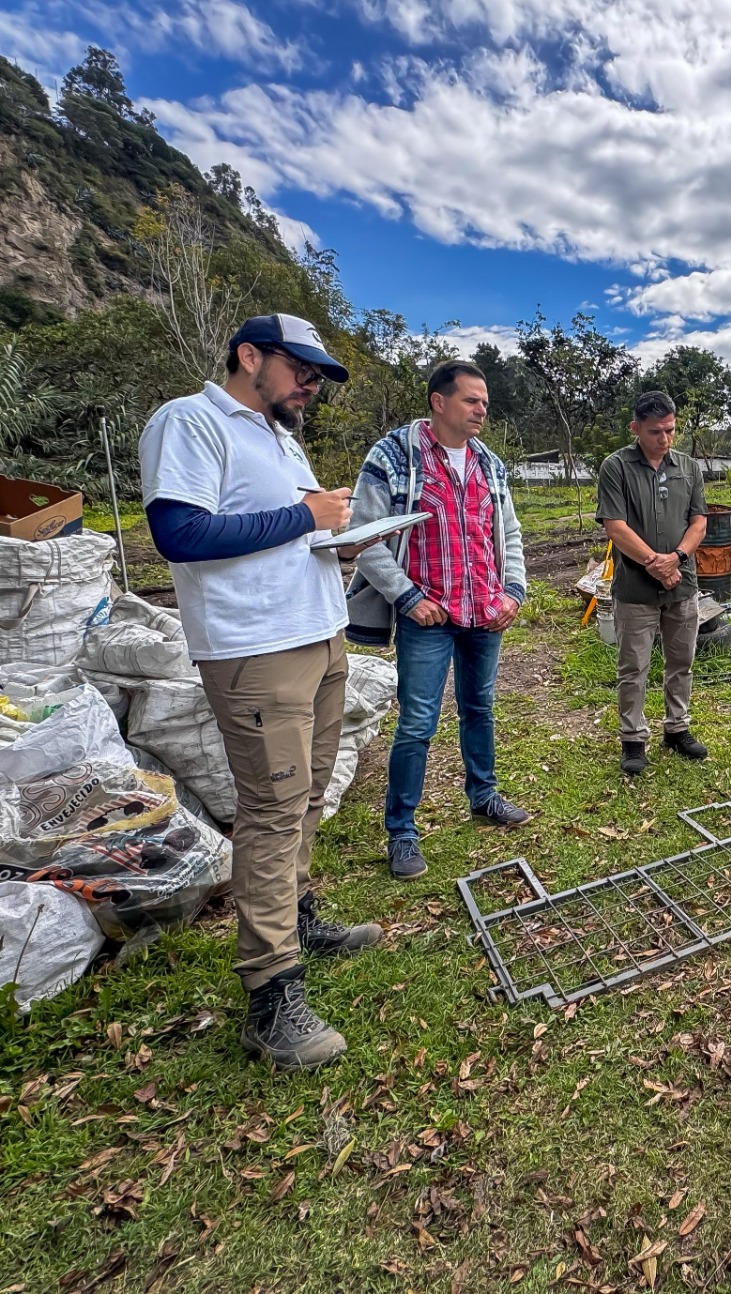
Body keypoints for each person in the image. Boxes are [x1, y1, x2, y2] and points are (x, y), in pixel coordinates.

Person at [140, 313, 382, 1072]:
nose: (311, 384)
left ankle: (297, 918)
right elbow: (179, 534)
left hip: (319, 635)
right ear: (249, 356)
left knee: (306, 794)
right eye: (300, 369)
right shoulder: (191, 422)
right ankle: (270, 996)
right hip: (255, 650)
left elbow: (288, 533)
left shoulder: (280, 438)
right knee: (272, 809)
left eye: (318, 375)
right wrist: (305, 515)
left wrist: (339, 536)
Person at [346, 360, 531, 880]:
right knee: (417, 723)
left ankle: (484, 795)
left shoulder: (489, 463)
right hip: (428, 616)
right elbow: (364, 536)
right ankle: (402, 831)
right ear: (439, 401)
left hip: (484, 612)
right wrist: (407, 598)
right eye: (472, 400)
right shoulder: (394, 456)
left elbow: (509, 533)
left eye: (485, 403)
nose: (481, 411)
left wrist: (513, 592)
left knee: (480, 707)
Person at [595, 390, 708, 775]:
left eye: (670, 430)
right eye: (655, 431)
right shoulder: (616, 467)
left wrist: (677, 558)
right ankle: (633, 739)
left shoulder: (689, 468)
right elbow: (615, 526)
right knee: (633, 667)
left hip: (682, 583)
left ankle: (677, 729)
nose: (664, 438)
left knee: (682, 661)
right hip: (635, 589)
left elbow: (699, 522)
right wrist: (655, 564)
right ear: (636, 428)